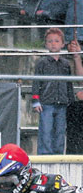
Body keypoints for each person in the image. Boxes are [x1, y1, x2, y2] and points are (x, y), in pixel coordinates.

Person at [33, 27, 76, 155]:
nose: (53, 44)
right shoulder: (42, 63)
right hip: (46, 102)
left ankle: (58, 154)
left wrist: (71, 100)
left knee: (60, 132)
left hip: (62, 103)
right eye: (50, 41)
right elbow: (36, 82)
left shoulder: (65, 64)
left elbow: (69, 84)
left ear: (62, 44)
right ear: (46, 44)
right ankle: (45, 155)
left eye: (57, 41)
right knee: (46, 131)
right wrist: (36, 100)